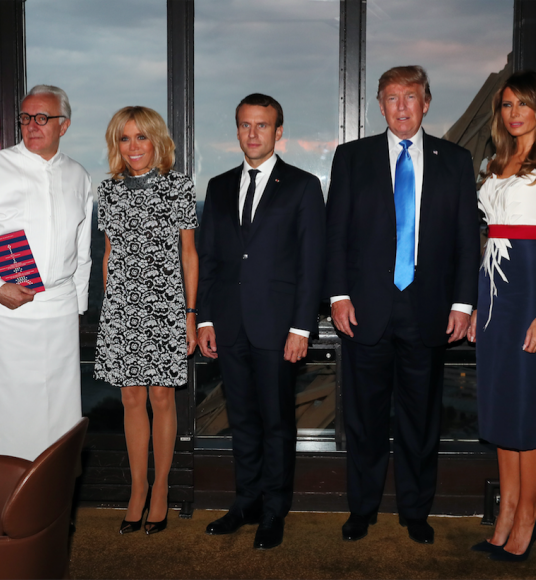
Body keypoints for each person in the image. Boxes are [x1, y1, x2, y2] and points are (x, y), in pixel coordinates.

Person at [325, 66, 480, 544]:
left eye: (410, 97)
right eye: (391, 98)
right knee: (364, 420)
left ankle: (416, 511)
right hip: (365, 312)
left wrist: (462, 303)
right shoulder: (352, 158)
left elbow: (464, 240)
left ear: (426, 102)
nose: (402, 106)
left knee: (420, 420)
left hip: (429, 312)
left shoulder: (455, 160)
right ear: (380, 105)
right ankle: (362, 510)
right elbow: (337, 234)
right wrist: (338, 295)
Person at [197, 93, 326, 550]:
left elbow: (312, 265)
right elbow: (209, 259)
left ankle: (275, 511)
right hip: (229, 326)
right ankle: (245, 503)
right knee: (243, 422)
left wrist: (300, 328)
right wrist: (205, 319)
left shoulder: (303, 186)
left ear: (278, 131)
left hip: (278, 329)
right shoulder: (217, 186)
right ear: (237, 130)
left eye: (262, 126)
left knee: (276, 424)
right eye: (245, 125)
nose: (252, 134)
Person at [467, 71, 536, 561]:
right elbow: (489, 238)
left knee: (527, 410)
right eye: (507, 105)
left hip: (530, 294)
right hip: (494, 294)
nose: (514, 113)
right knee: (502, 405)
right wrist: (474, 304)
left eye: (523, 104)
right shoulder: (495, 162)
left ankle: (529, 515)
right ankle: (505, 512)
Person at [94, 106, 198, 535]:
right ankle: (137, 490)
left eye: (141, 137)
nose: (133, 147)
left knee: (161, 397)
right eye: (124, 138)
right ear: (116, 145)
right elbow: (109, 254)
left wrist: (191, 315)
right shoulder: (109, 190)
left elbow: (189, 255)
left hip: (165, 305)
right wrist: (110, 310)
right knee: (131, 399)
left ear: (157, 141)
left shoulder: (179, 186)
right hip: (122, 306)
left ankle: (161, 489)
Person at [0, 85, 92, 462]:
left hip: (60, 311)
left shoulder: (79, 175)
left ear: (63, 126)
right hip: (6, 313)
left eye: (42, 118)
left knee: (58, 415)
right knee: (8, 412)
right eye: (26, 117)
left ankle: (50, 508)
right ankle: (3, 507)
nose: (32, 125)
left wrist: (78, 305)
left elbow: (82, 250)